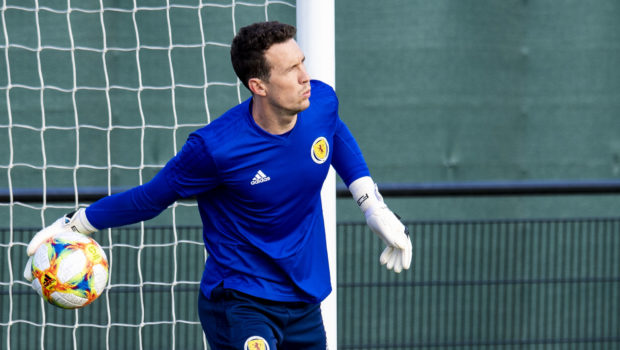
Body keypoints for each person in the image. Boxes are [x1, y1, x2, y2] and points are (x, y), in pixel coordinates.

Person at [24, 21, 412, 350]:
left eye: (302, 62)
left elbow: (335, 133)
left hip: (305, 296)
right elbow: (152, 197)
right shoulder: (215, 148)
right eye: (291, 69)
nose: (305, 77)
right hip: (242, 301)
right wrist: (78, 224)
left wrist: (371, 204)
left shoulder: (320, 102)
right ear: (259, 86)